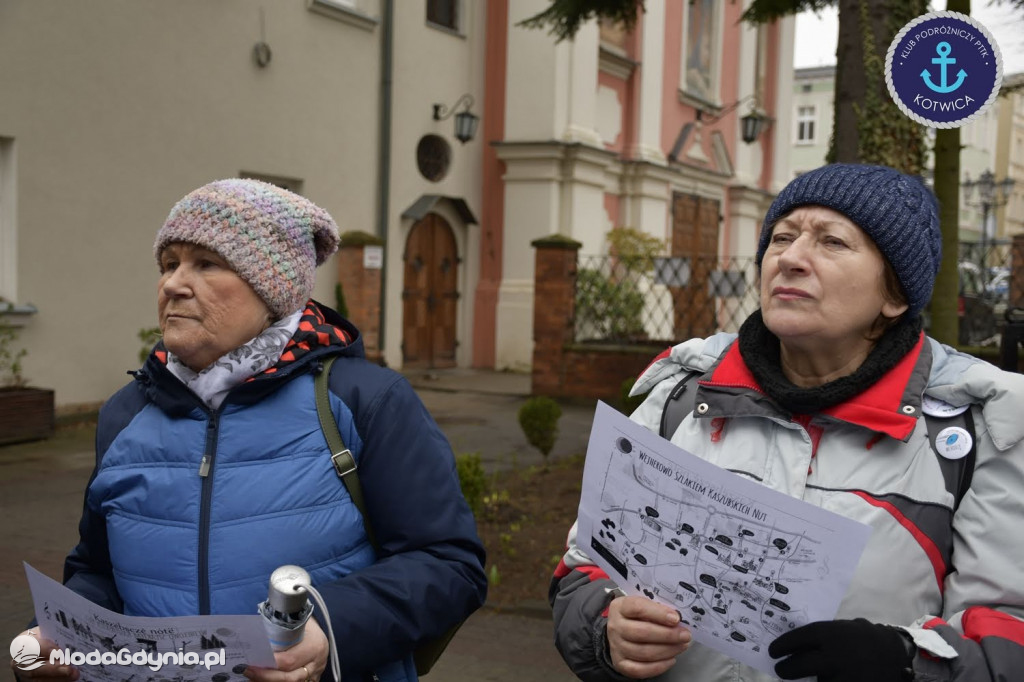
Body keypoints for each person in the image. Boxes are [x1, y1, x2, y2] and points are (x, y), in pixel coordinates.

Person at [550, 163, 1024, 681]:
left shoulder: (979, 430)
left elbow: (1009, 630)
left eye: (832, 242)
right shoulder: (681, 398)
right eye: (781, 237)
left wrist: (909, 663)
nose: (791, 259)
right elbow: (583, 569)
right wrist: (607, 628)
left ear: (895, 295)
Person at [10, 179, 487, 682]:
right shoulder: (127, 414)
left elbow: (448, 564)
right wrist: (55, 635)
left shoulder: (362, 402)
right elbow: (99, 573)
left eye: (207, 263)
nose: (173, 283)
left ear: (271, 290)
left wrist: (327, 631)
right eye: (169, 263)